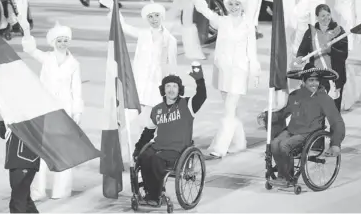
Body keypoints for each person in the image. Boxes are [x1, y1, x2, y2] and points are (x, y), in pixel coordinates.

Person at [19, 19, 84, 200]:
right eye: (59, 40)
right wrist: (26, 31)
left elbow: (77, 89)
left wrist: (77, 112)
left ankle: (61, 190)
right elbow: (30, 50)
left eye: (65, 40)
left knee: (62, 151)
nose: (63, 43)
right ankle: (37, 190)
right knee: (40, 151)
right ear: (53, 42)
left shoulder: (74, 64)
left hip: (65, 111)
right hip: (44, 109)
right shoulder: (46, 58)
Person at [193, 0, 261, 158]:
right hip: (223, 71)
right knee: (231, 110)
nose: (234, 8)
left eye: (237, 4)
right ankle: (239, 142)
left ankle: (219, 148)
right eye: (230, 4)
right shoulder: (222, 22)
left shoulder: (248, 25)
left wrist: (254, 72)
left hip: (239, 71)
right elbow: (205, 10)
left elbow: (252, 51)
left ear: (242, 5)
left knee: (229, 110)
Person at [132, 62, 207, 205]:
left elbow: (202, 95)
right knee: (143, 157)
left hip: (177, 150)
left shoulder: (187, 105)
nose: (171, 89)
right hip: (159, 146)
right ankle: (149, 190)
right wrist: (137, 149)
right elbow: (148, 132)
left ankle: (155, 196)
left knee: (155, 160)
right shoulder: (157, 109)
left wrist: (199, 79)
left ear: (180, 89)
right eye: (168, 86)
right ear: (163, 90)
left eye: (174, 86)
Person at [265, 63, 346, 185]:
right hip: (292, 130)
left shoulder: (324, 99)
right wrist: (267, 116)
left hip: (308, 133)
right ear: (303, 81)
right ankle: (284, 173)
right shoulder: (295, 95)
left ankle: (286, 177)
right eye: (310, 80)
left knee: (284, 146)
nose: (314, 83)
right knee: (275, 144)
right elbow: (284, 113)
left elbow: (337, 121)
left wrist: (335, 143)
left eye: (316, 80)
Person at [102, 0, 178, 128]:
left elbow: (173, 66)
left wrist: (173, 89)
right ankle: (123, 135)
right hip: (140, 81)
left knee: (154, 119)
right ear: (146, 19)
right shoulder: (142, 35)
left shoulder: (170, 40)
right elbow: (123, 26)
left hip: (158, 82)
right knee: (133, 112)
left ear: (162, 16)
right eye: (150, 16)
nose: (154, 19)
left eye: (156, 15)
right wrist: (113, 7)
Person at [295, 4, 348, 112]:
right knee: (317, 109)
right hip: (317, 76)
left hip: (334, 75)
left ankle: (335, 129)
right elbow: (302, 50)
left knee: (333, 110)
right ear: (317, 17)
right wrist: (300, 57)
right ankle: (319, 128)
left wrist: (330, 50)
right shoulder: (311, 32)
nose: (326, 18)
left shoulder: (339, 31)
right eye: (323, 16)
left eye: (328, 15)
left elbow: (344, 53)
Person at [0, 116, 40, 213]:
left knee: (18, 202)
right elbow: (3, 134)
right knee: (24, 199)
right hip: (15, 161)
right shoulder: (10, 110)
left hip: (26, 158)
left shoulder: (30, 109)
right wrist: (1, 118)